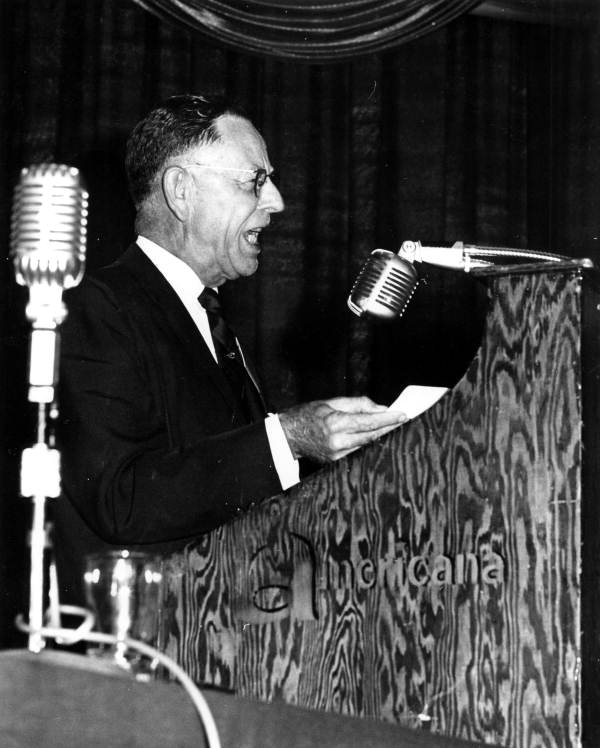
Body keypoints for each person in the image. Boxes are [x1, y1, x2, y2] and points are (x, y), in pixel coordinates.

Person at [55, 94, 406, 605]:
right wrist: (287, 439)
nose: (278, 203)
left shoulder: (210, 318)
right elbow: (120, 497)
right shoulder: (97, 308)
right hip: (145, 652)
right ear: (181, 191)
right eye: (255, 182)